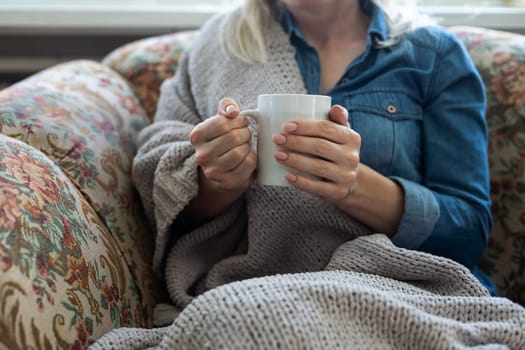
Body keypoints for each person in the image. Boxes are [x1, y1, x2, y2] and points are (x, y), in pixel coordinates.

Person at [135, 0, 495, 321]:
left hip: (397, 290)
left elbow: (468, 230)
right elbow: (162, 191)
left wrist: (355, 186)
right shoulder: (218, 45)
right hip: (251, 293)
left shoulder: (433, 55)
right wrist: (216, 180)